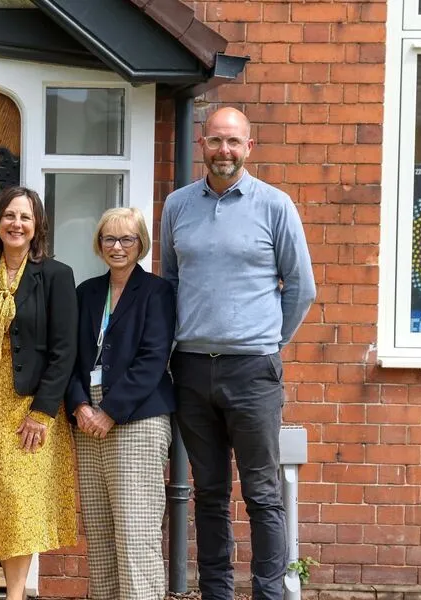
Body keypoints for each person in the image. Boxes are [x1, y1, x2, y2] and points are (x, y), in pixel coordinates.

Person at [160, 107, 316, 600]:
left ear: (249, 148)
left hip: (253, 370)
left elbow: (301, 289)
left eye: (234, 142)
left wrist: (268, 340)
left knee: (262, 494)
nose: (224, 151)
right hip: (190, 369)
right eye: (216, 141)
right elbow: (170, 283)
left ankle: (269, 592)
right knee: (208, 494)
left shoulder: (275, 205)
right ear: (202, 144)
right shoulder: (177, 207)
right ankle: (217, 593)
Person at [0, 186, 78, 600]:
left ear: (37, 226)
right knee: (0, 501)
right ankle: (13, 592)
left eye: (25, 217)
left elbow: (65, 351)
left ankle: (14, 596)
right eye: (9, 216)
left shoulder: (56, 276)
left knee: (21, 502)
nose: (16, 224)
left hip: (30, 404)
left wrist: (43, 412)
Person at [65, 207, 176, 600]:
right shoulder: (87, 292)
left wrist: (109, 411)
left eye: (126, 239)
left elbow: (152, 358)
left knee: (135, 529)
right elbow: (72, 357)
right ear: (99, 244)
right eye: (109, 239)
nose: (117, 246)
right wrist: (80, 406)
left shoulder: (157, 292)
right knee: (99, 531)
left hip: (136, 417)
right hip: (88, 418)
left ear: (140, 244)